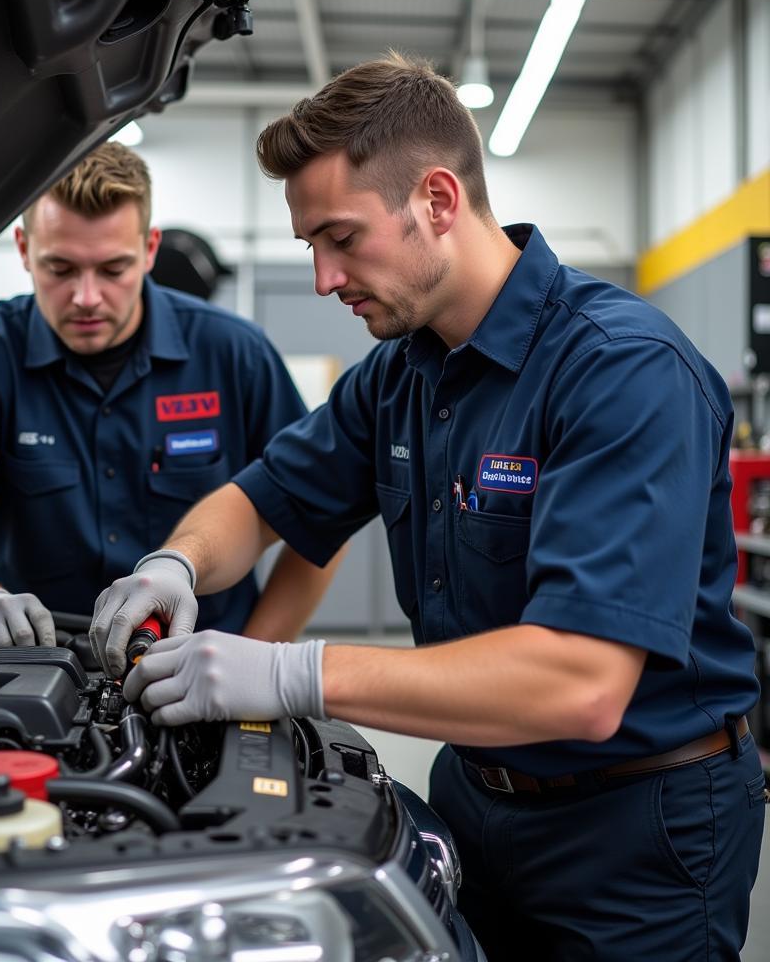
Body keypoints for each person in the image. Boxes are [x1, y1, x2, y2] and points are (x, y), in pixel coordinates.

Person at [90, 55, 765, 960]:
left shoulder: (624, 371)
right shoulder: (401, 375)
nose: (325, 278)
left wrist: (292, 673)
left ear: (438, 201)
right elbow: (260, 503)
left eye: (341, 238)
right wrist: (172, 565)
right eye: (310, 250)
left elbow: (582, 683)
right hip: (472, 799)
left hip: (634, 832)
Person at [0, 142, 340, 650]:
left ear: (149, 249)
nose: (86, 297)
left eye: (112, 270)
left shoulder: (232, 352)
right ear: (24, 249)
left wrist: (255, 654)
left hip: (202, 662)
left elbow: (322, 517)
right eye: (61, 269)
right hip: (41, 669)